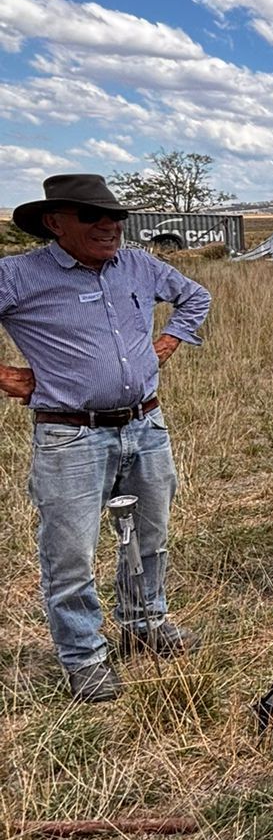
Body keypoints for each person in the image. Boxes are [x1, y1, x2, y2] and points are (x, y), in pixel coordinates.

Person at [0, 171, 210, 701]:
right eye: (93, 216)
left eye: (115, 216)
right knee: (69, 553)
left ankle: (144, 625)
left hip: (146, 423)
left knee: (150, 537)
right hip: (71, 436)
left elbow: (195, 296)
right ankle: (84, 657)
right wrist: (4, 375)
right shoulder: (20, 275)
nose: (109, 226)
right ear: (54, 222)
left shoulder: (137, 264)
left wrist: (169, 341)